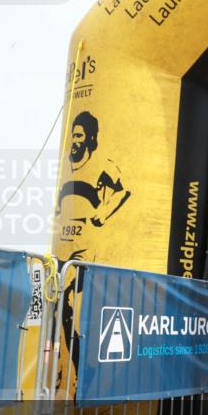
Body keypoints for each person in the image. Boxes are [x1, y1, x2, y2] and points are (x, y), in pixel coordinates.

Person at [52, 110, 131, 386]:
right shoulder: (65, 166)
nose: (74, 141)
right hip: (63, 247)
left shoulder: (101, 164)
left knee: (67, 301)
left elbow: (122, 191)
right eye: (72, 135)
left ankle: (81, 370)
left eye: (79, 136)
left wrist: (103, 213)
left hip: (83, 251)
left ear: (89, 139)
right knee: (58, 308)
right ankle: (67, 367)